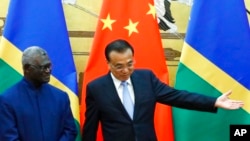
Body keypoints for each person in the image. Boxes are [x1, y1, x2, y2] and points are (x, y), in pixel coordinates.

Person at [81, 39, 244, 141]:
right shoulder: (96, 88)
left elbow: (178, 96)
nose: (125, 70)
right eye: (119, 66)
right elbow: (90, 128)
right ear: (108, 64)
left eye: (130, 64)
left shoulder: (146, 78)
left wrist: (214, 102)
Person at [0, 46, 77, 141]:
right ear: (27, 68)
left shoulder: (61, 97)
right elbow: (8, 137)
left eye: (49, 66)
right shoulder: (8, 100)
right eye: (43, 67)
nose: (48, 71)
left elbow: (70, 131)